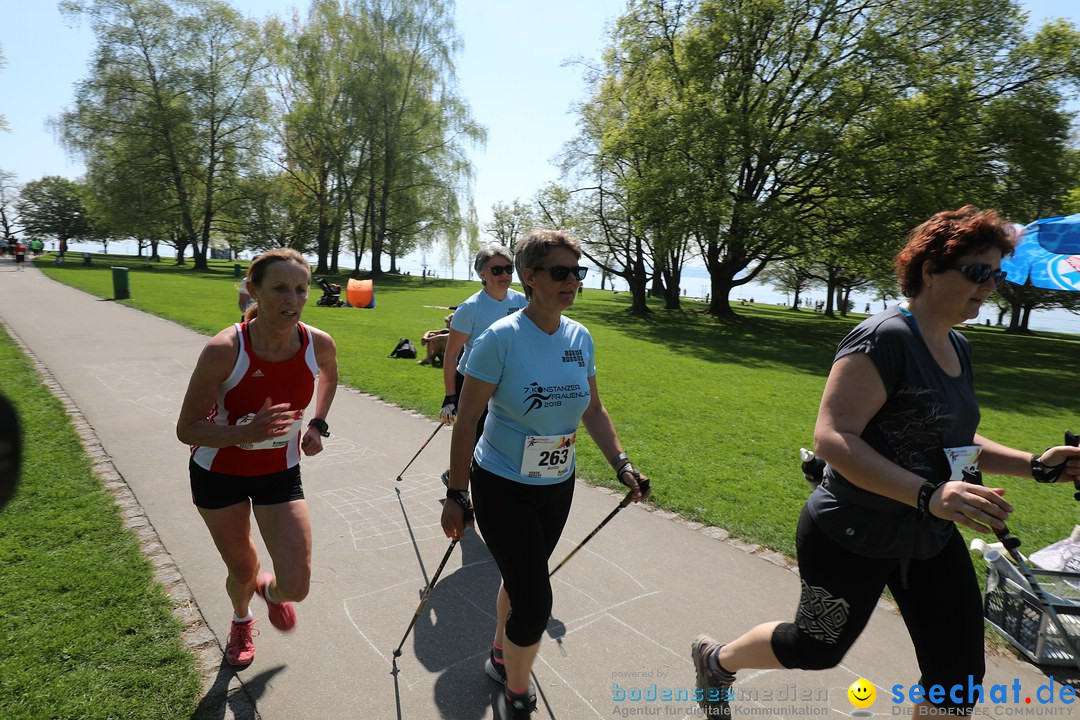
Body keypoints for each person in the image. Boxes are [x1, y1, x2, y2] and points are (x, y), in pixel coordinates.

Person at [690, 206, 1080, 719]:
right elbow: (833, 437)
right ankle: (717, 662)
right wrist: (928, 493)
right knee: (816, 649)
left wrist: (1037, 465)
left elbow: (953, 438)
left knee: (958, 676)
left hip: (928, 539)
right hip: (851, 533)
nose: (990, 285)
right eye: (978, 271)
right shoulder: (884, 338)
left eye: (997, 274)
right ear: (929, 270)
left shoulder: (957, 346)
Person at [440, 229, 650, 720]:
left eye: (578, 272)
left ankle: (499, 648)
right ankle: (514, 688)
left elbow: (593, 410)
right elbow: (468, 419)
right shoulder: (500, 339)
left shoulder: (580, 336)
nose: (572, 281)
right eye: (560, 272)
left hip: (557, 484)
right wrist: (456, 492)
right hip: (501, 483)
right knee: (535, 602)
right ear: (530, 277)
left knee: (521, 576)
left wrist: (622, 464)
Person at [176, 248, 338, 668]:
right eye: (280, 288)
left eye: (300, 289)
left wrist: (318, 424)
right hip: (219, 473)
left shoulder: (317, 343)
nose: (292, 299)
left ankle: (270, 593)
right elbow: (187, 428)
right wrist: (244, 433)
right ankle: (242, 618)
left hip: (279, 473)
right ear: (254, 291)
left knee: (297, 584)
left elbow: (330, 378)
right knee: (243, 570)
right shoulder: (224, 348)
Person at [437, 244, 527, 484]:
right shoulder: (470, 308)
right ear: (482, 274)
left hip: (507, 382)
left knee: (500, 434)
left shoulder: (522, 302)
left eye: (508, 269)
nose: (505, 275)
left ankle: (459, 473)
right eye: (496, 270)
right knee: (474, 435)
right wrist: (450, 396)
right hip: (472, 380)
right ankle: (460, 487)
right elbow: (451, 354)